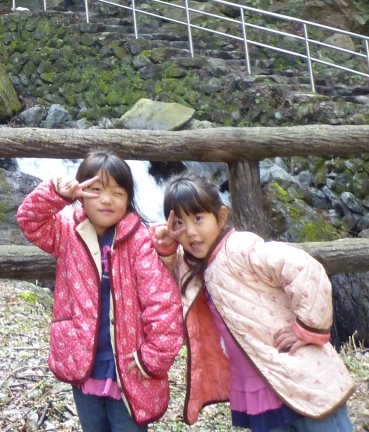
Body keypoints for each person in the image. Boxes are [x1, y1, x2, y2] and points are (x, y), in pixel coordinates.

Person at [152, 173, 356, 431]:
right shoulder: (196, 266)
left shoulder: (239, 248)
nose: (191, 231)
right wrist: (166, 245)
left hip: (297, 372)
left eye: (198, 218)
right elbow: (166, 281)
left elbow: (304, 268)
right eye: (179, 222)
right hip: (260, 381)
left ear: (221, 216)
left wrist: (307, 328)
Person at [17, 152, 183, 432]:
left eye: (118, 193)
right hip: (83, 360)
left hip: (129, 367)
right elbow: (29, 220)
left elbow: (163, 304)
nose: (107, 200)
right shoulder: (67, 233)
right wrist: (57, 194)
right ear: (80, 194)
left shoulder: (140, 242)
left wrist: (152, 359)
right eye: (96, 190)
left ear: (128, 199)